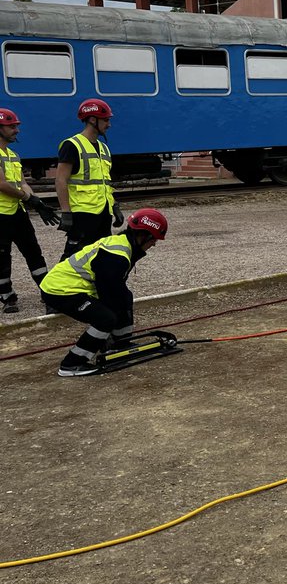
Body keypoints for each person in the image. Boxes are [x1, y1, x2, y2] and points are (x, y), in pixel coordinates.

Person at [42, 208, 168, 377]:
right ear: (144, 236)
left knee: (124, 297)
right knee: (105, 319)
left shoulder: (123, 245)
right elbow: (107, 294)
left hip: (73, 286)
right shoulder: (116, 256)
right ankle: (72, 364)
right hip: (59, 290)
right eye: (154, 240)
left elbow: (115, 290)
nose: (154, 244)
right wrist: (107, 328)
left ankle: (120, 344)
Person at [0, 108, 60, 312]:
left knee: (34, 252)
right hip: (1, 215)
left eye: (16, 126)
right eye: (11, 126)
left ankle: (48, 293)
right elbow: (2, 184)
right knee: (2, 257)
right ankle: (7, 296)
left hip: (17, 212)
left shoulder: (13, 155)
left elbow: (22, 183)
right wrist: (28, 198)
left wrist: (36, 202)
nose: (16, 130)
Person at [55, 98, 122, 260]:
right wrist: (66, 212)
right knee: (73, 257)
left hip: (103, 212)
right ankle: (58, 278)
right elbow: (60, 180)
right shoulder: (72, 145)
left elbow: (104, 182)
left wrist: (114, 206)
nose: (109, 124)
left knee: (101, 256)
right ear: (92, 119)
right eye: (105, 120)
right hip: (82, 213)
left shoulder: (104, 148)